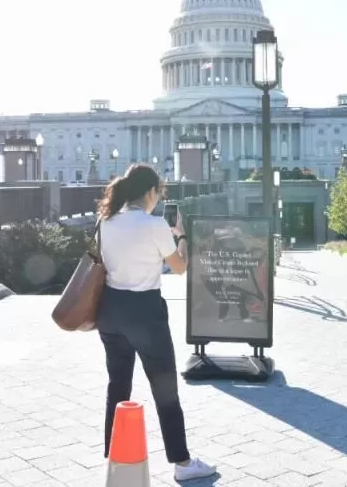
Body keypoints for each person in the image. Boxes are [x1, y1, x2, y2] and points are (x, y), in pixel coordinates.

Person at [95, 164, 217, 482]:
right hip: (145, 312)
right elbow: (179, 267)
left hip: (110, 310)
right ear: (150, 192)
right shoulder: (154, 224)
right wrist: (183, 237)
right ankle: (182, 463)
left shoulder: (105, 221)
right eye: (159, 194)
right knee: (165, 389)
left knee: (117, 386)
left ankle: (115, 456)